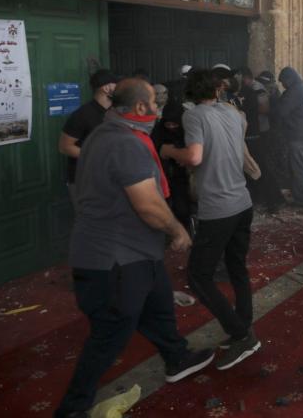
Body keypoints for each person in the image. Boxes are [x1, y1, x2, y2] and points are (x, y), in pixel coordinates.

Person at [55, 79, 212, 417]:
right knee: (110, 333)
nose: (159, 107)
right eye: (155, 101)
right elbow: (148, 205)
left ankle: (176, 357)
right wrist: (177, 230)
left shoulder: (102, 132)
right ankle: (72, 408)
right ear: (141, 107)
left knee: (157, 305)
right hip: (115, 258)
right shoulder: (126, 144)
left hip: (137, 252)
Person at [160, 70, 262, 371]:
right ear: (217, 89)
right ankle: (242, 327)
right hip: (242, 201)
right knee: (236, 267)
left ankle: (242, 334)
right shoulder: (231, 113)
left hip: (218, 207)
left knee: (198, 276)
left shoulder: (194, 117)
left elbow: (193, 157)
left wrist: (167, 150)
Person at [59, 69, 118, 203]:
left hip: (106, 178)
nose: (120, 89)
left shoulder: (114, 112)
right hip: (84, 180)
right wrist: (97, 155)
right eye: (116, 85)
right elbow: (64, 147)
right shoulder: (82, 114)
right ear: (107, 88)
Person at [233, 68, 285, 212]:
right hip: (249, 134)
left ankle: (273, 200)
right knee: (253, 167)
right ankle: (259, 197)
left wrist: (248, 110)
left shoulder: (256, 90)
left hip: (258, 134)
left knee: (261, 166)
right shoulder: (242, 92)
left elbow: (264, 108)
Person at [278, 66, 303, 207]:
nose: (283, 85)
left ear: (289, 79)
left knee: (300, 169)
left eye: (283, 82)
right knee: (296, 168)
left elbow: (281, 111)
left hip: (299, 134)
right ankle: (300, 198)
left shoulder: (294, 91)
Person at [151, 101, 192, 231]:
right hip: (166, 175)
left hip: (186, 175)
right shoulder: (158, 130)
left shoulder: (189, 129)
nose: (171, 127)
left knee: (184, 208)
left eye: (175, 124)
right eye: (168, 124)